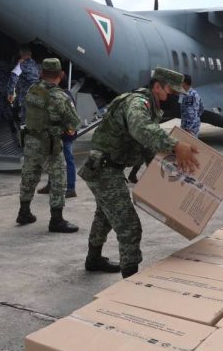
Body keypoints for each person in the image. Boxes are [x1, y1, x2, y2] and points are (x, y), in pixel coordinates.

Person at [79, 67, 200, 278]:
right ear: (157, 87)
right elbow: (140, 130)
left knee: (105, 217)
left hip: (110, 167)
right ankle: (130, 280)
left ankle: (94, 259)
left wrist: (167, 179)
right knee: (129, 227)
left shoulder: (151, 107)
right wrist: (175, 145)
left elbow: (146, 147)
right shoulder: (138, 103)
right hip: (103, 169)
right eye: (171, 93)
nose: (173, 98)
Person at [16, 58, 81, 233]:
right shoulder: (60, 96)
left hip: (30, 141)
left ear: (41, 73)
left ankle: (24, 212)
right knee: (59, 179)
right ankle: (56, 220)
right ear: (61, 75)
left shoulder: (32, 90)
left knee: (29, 176)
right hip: (49, 145)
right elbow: (74, 123)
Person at [37, 80, 78, 198]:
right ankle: (51, 185)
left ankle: (71, 189)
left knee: (68, 159)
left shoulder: (62, 96)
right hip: (56, 133)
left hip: (64, 133)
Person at [9, 46, 40, 124]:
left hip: (26, 96)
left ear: (21, 54)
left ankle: (24, 134)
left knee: (25, 119)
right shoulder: (37, 65)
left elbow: (13, 77)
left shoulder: (21, 65)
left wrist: (10, 92)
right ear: (30, 54)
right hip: (37, 95)